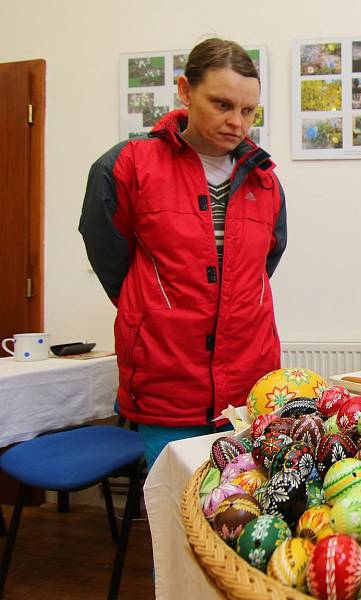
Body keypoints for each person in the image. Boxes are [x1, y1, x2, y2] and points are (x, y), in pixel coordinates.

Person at [80, 38, 287, 467]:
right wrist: (155, 307)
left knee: (240, 511)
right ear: (185, 90)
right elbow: (111, 260)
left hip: (248, 385)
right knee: (176, 515)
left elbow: (261, 266)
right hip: (167, 382)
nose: (237, 122)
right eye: (222, 104)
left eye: (248, 111)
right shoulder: (127, 167)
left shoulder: (265, 182)